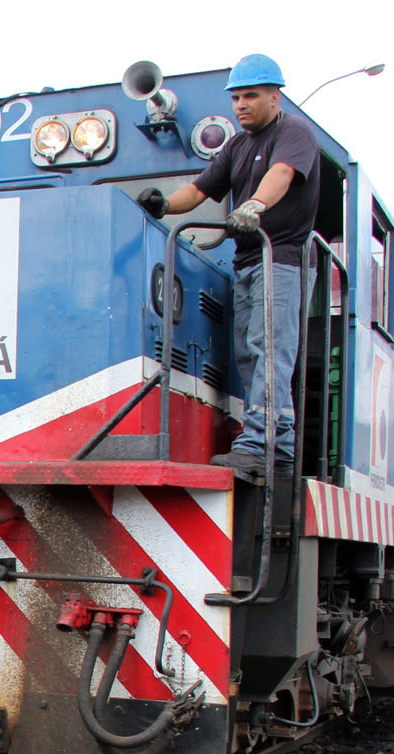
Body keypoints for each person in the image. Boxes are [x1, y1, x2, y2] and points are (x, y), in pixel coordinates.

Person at [138, 54, 321, 482]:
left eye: (251, 96)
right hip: (247, 261)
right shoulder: (236, 147)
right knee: (247, 352)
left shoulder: (294, 132)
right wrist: (163, 204)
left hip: (282, 257)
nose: (241, 105)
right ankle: (278, 444)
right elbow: (199, 190)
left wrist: (253, 205)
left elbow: (281, 174)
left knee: (269, 348)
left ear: (275, 97)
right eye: (236, 97)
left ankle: (260, 444)